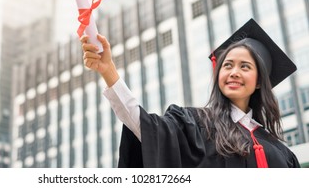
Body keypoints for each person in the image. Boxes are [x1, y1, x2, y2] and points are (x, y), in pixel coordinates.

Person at [80, 18, 301, 168]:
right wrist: (108, 70)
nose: (234, 72)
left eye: (244, 66)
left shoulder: (283, 154)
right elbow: (144, 126)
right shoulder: (195, 125)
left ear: (260, 81)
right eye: (227, 65)